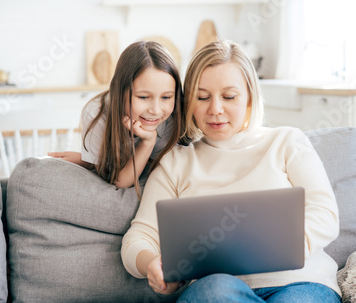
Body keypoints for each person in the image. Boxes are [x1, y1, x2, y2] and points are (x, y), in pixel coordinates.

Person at [120, 40, 342, 302]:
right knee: (214, 292)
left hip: (301, 282)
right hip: (219, 291)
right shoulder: (175, 163)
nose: (215, 109)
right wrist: (151, 264)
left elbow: (324, 211)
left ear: (249, 97)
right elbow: (139, 237)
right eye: (202, 97)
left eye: (229, 96)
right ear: (189, 101)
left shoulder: (287, 142)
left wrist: (285, 247)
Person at [48, 41, 186, 195]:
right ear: (120, 92)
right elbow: (120, 182)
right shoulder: (96, 112)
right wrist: (93, 162)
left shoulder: (171, 119)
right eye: (143, 97)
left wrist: (147, 141)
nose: (156, 110)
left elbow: (151, 170)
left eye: (166, 97)